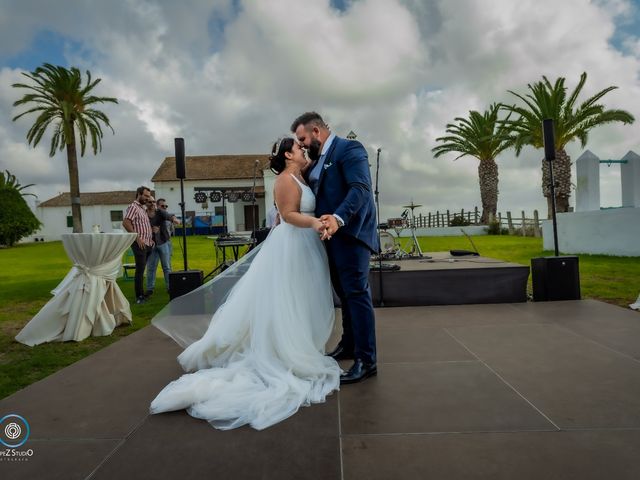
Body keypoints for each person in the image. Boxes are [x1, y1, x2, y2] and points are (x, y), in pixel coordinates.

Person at [150, 137, 340, 430]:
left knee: (302, 299)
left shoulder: (299, 175)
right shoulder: (285, 180)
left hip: (304, 246)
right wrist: (315, 223)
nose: (304, 150)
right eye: (299, 148)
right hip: (294, 244)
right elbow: (288, 216)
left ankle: (304, 345)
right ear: (289, 154)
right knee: (289, 299)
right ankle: (288, 351)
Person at [291, 112, 380, 384]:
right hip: (330, 237)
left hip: (351, 234)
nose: (302, 144)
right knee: (345, 294)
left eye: (303, 138)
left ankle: (367, 360)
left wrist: (339, 218)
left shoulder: (350, 149)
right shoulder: (316, 161)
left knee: (356, 293)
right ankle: (350, 345)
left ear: (316, 131)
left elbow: (360, 188)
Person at [122, 186, 154, 304]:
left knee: (142, 270)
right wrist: (137, 237)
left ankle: (142, 294)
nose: (147, 198)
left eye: (148, 196)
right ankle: (139, 297)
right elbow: (126, 222)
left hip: (148, 244)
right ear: (139, 194)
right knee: (140, 270)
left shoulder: (143, 209)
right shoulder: (133, 207)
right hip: (139, 244)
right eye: (145, 196)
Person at [145, 197, 180, 296]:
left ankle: (170, 288)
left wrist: (175, 219)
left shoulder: (160, 212)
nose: (152, 203)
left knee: (167, 267)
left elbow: (169, 215)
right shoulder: (143, 214)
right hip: (151, 244)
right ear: (146, 203)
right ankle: (149, 289)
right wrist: (150, 230)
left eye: (153, 202)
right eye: (150, 202)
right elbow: (140, 227)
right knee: (151, 267)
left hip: (163, 242)